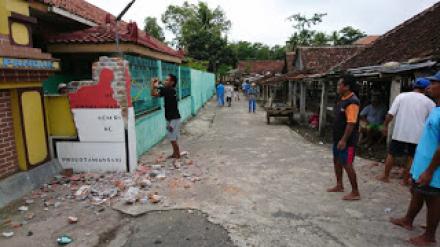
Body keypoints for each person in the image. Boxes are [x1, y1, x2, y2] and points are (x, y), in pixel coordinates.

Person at [390, 72, 440, 246]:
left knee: (433, 200)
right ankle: (408, 219)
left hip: (433, 169)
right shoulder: (435, 107)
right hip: (423, 162)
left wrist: (429, 171)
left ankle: (429, 236)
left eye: (434, 83)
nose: (429, 86)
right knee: (418, 192)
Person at [378, 78, 435, 184]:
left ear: (414, 86)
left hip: (400, 132)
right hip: (417, 135)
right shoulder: (429, 102)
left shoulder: (401, 96)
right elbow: (431, 121)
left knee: (392, 154)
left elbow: (390, 114)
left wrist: (385, 126)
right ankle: (405, 180)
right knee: (411, 157)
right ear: (426, 89)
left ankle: (385, 176)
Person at [327, 74, 361, 201]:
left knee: (347, 164)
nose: (337, 86)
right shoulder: (342, 99)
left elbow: (351, 123)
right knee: (336, 161)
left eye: (339, 84)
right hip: (338, 138)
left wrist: (344, 139)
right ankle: (339, 185)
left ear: (346, 86)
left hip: (347, 140)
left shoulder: (352, 102)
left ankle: (355, 191)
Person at [151, 74, 182, 161]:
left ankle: (178, 155)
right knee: (172, 137)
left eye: (167, 80)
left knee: (172, 138)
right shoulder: (168, 90)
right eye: (165, 80)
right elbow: (154, 94)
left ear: (172, 82)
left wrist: (154, 85)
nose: (165, 81)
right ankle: (175, 154)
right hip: (170, 118)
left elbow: (158, 89)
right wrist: (154, 86)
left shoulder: (170, 90)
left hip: (174, 119)